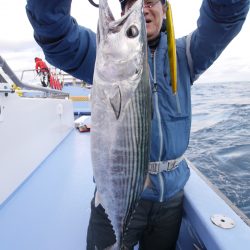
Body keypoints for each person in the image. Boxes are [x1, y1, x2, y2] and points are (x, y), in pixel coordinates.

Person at [26, 0, 249, 249]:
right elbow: (56, 36)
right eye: (132, 3)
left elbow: (224, 19)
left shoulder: (186, 54)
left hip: (170, 200)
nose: (143, 8)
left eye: (151, 1)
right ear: (124, 13)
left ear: (165, 10)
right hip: (116, 191)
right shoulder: (102, 55)